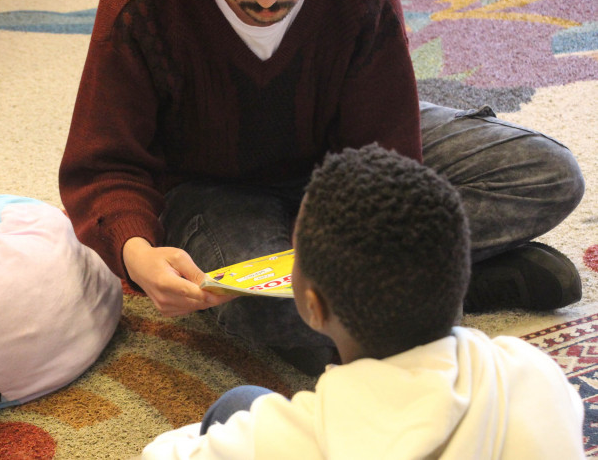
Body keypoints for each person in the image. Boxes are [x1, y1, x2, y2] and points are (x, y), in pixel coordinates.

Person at [59, 0, 585, 375]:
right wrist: (134, 250)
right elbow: (104, 163)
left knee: (548, 174)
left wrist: (349, 227)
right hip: (213, 187)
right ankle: (448, 284)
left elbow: (387, 151)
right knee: (267, 306)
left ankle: (357, 290)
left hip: (349, 158)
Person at [141, 144, 586, 459]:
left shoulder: (289, 438)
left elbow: (157, 454)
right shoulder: (537, 373)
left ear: (312, 305)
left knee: (235, 405)